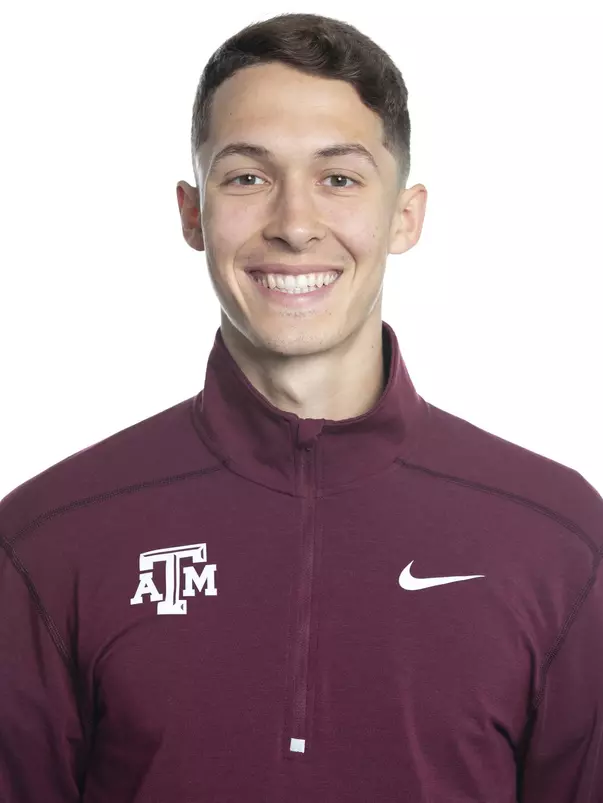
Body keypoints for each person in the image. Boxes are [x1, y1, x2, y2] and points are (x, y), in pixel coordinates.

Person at [1, 11, 601, 802]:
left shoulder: (557, 536)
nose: (292, 224)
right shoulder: (50, 537)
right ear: (193, 212)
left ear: (405, 216)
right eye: (246, 176)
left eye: (339, 177)